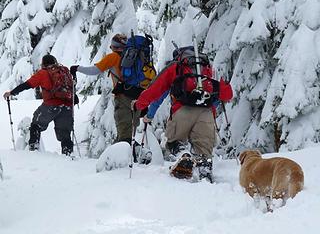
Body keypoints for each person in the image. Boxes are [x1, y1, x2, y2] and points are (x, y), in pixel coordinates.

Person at [132, 46, 233, 181]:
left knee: (174, 142)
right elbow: (227, 94)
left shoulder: (176, 67)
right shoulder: (208, 67)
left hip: (182, 111)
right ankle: (204, 174)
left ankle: (183, 155)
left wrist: (139, 104)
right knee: (204, 152)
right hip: (206, 113)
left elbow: (155, 89)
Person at [70, 34, 152, 164]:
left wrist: (77, 68)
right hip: (138, 97)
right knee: (129, 132)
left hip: (123, 97)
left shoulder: (113, 57)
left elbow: (95, 70)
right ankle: (132, 160)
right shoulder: (138, 58)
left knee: (124, 134)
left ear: (114, 46)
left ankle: (139, 155)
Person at [3, 54, 76, 155]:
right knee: (65, 134)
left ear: (43, 64)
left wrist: (12, 92)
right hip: (67, 106)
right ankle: (68, 155)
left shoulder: (43, 73)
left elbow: (27, 85)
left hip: (51, 105)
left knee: (36, 123)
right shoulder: (64, 71)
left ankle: (34, 150)